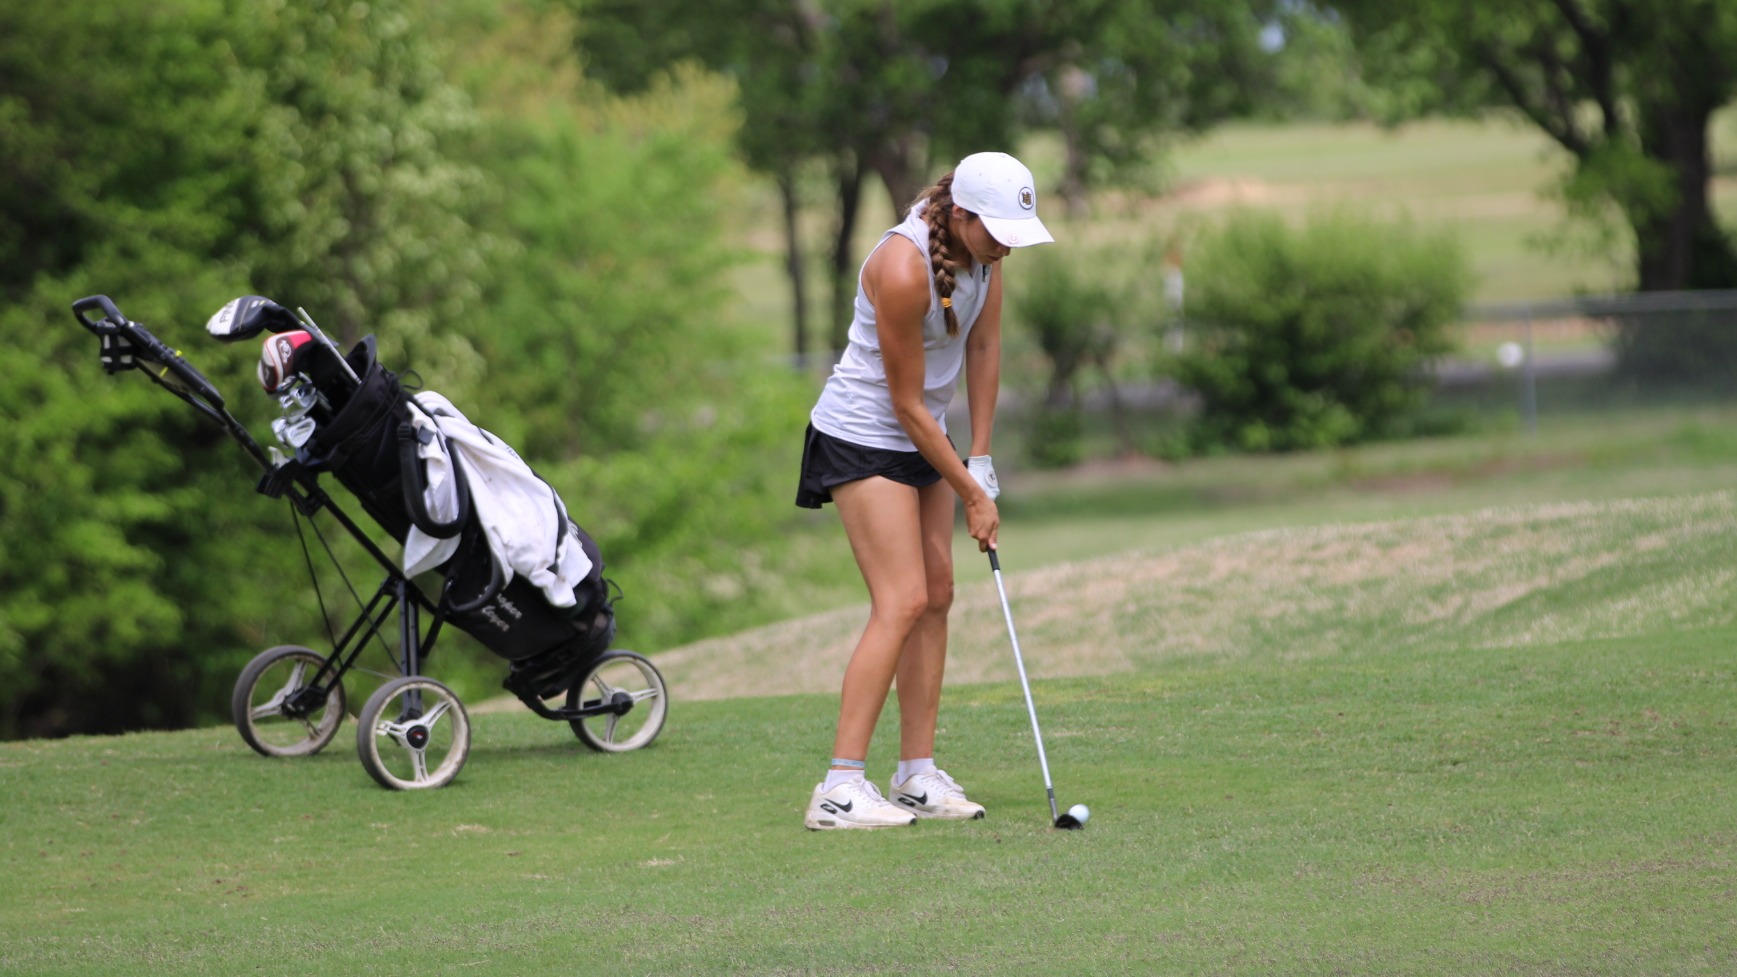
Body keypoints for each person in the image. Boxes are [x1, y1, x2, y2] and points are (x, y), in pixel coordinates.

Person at [796, 151, 1054, 830]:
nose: (1003, 246)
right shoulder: (902, 266)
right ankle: (838, 787)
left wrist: (981, 457)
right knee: (902, 597)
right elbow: (905, 402)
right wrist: (970, 491)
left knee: (937, 594)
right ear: (959, 214)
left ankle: (914, 774)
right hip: (863, 436)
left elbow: (983, 349)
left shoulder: (987, 260)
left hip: (925, 440)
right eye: (993, 231)